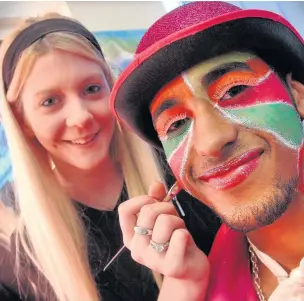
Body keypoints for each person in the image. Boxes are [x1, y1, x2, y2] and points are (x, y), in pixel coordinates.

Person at [0, 11, 220, 301]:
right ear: (22, 121)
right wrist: (183, 284)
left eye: (92, 89)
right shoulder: (23, 267)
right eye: (50, 101)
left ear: (113, 88)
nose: (80, 117)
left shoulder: (184, 167)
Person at [110, 1, 304, 300]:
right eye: (175, 125)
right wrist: (184, 285)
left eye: (234, 90)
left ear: (298, 97)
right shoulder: (211, 285)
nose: (211, 141)